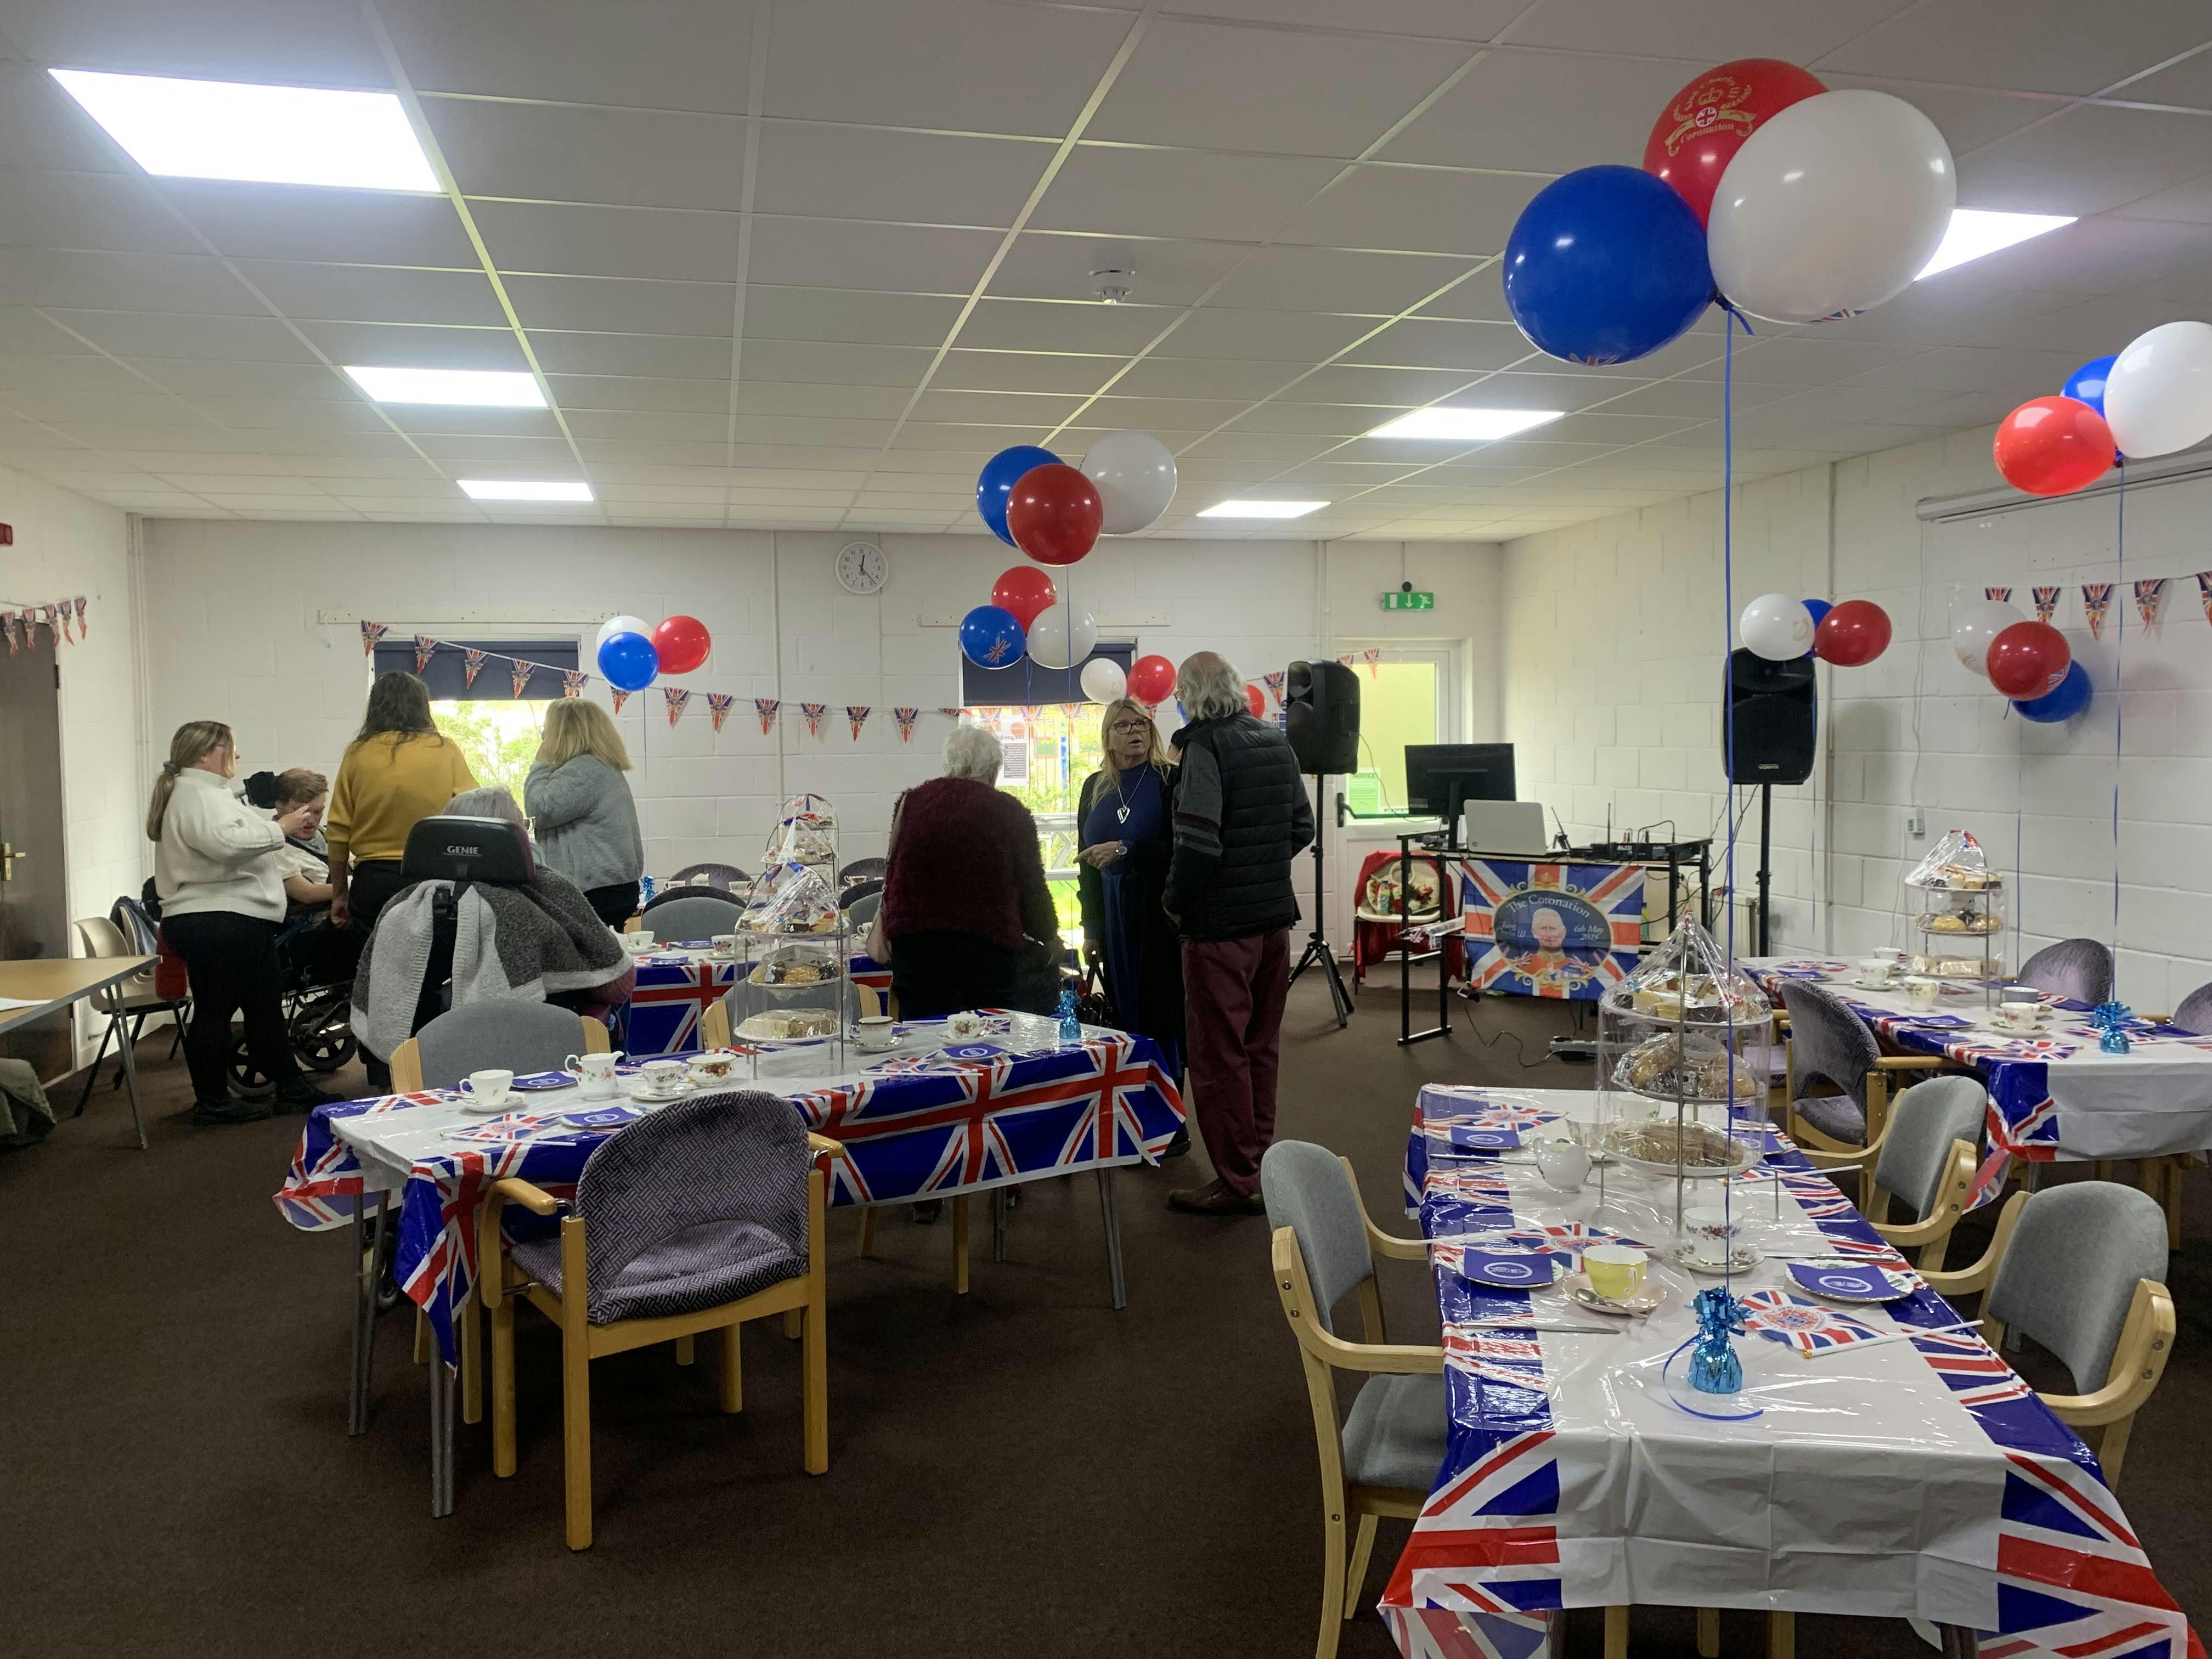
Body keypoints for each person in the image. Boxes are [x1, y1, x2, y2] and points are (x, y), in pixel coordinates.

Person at [1160, 651, 1313, 1215]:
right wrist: (1263, 868)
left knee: (1218, 1057)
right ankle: (1259, 1166)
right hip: (1274, 922)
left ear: (1190, 695)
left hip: (1219, 930)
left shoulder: (1203, 747)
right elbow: (1304, 826)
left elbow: (1198, 843)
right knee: (1259, 1048)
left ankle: (1236, 1179)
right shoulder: (1276, 742)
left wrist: (1173, 904)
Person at [349, 786, 634, 1066]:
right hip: (540, 1055)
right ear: (516, 838)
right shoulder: (549, 892)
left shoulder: (404, 906)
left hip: (424, 1066)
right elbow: (618, 985)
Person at [147, 722, 337, 1125]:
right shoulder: (195, 796)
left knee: (265, 1009)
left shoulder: (208, 795)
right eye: (230, 748)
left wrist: (271, 830)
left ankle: (290, 1087)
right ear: (205, 755)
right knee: (215, 1012)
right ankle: (212, 1102)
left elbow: (234, 839)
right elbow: (227, 846)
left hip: (234, 920)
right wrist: (279, 829)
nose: (237, 756)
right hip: (217, 920)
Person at [875, 724, 1060, 1019]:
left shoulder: (911, 802)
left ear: (949, 765)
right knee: (990, 1033)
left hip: (917, 943)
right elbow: (1030, 883)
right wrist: (1049, 934)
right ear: (994, 771)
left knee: (921, 1031)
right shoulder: (1010, 810)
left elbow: (896, 869)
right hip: (986, 944)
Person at [1076, 697, 1184, 1094]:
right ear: (1107, 737)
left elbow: (1181, 849)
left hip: (1159, 914)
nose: (1135, 731)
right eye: (1122, 726)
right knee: (1125, 1016)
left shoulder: (1169, 779)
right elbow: (1086, 866)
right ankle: (1134, 1106)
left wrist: (1128, 849)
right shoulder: (1094, 787)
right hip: (1114, 916)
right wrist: (1091, 928)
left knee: (1163, 1016)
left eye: (1141, 724)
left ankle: (1171, 1119)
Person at [325, 671, 476, 936]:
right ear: (421, 706)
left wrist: (340, 895)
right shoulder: (445, 750)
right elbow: (473, 811)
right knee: (431, 967)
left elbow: (338, 832)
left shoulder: (357, 753)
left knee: (374, 967)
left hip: (373, 881)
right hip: (433, 876)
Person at [524, 697, 645, 929]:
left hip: (596, 892)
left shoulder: (584, 770)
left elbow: (541, 810)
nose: (544, 736)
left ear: (563, 733)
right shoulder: (602, 767)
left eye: (548, 730)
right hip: (615, 888)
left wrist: (540, 763)